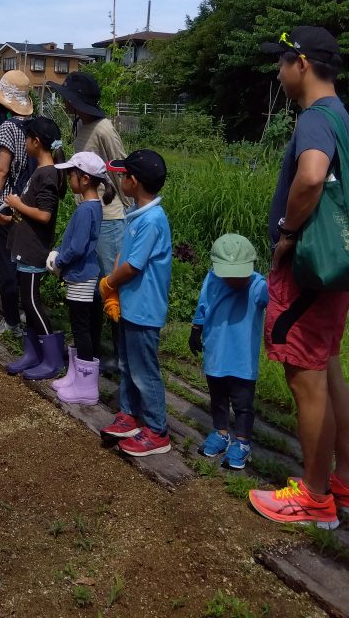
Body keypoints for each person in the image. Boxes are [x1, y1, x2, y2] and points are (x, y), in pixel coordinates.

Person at [249, 26, 349, 529]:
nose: (279, 71)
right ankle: (342, 482)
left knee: (305, 378)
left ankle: (313, 497)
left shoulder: (315, 119)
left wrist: (287, 234)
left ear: (302, 64)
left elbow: (311, 176)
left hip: (307, 268)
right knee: (328, 369)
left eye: (282, 61)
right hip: (336, 267)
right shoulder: (344, 116)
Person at [47, 72, 130, 363]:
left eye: (67, 97)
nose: (64, 102)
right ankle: (93, 351)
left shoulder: (103, 128)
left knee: (111, 287)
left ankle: (122, 357)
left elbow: (119, 168)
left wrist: (128, 210)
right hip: (92, 211)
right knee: (93, 288)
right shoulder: (79, 124)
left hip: (110, 218)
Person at [98, 149, 172, 457]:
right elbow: (122, 255)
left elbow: (134, 265)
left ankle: (157, 430)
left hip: (144, 309)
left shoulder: (152, 220)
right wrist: (115, 290)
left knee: (144, 370)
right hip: (130, 304)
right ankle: (129, 414)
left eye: (123, 175)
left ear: (134, 181)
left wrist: (109, 283)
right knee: (127, 364)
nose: (119, 178)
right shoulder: (136, 213)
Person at [190, 234, 268, 469]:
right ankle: (221, 433)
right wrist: (196, 328)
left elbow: (276, 304)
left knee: (243, 405)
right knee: (218, 399)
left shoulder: (259, 285)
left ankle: (242, 443)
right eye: (230, 275)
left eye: (240, 275)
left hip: (243, 360)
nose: (235, 280)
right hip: (216, 354)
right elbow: (203, 304)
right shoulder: (212, 279)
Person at [46, 152, 117, 405]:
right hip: (84, 275)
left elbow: (76, 247)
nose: (68, 178)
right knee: (81, 327)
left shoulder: (87, 209)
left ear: (84, 179)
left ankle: (87, 387)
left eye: (70, 174)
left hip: (81, 276)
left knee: (82, 328)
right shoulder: (92, 206)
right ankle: (75, 376)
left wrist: (58, 261)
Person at [3, 116, 66, 380]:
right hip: (23, 246)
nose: (24, 143)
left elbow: (44, 215)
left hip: (33, 249)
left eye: (27, 138)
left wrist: (16, 204)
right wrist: (7, 217)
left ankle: (53, 358)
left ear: (36, 141)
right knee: (26, 302)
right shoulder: (40, 172)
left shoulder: (48, 174)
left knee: (31, 301)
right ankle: (32, 353)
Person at [0, 71, 36, 337]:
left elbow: (1, 171)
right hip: (34, 205)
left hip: (10, 204)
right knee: (26, 265)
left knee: (6, 264)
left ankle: (11, 321)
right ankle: (28, 313)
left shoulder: (9, 127)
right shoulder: (39, 126)